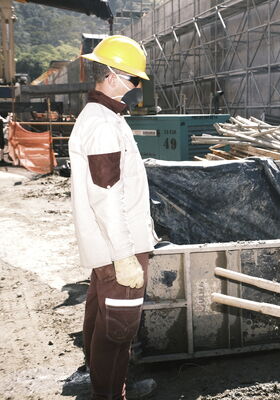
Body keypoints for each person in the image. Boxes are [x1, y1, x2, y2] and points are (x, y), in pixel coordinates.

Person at [69, 35, 159, 399]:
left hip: (108, 245)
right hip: (118, 246)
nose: (136, 87)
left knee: (101, 318)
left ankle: (106, 383)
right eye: (133, 79)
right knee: (118, 329)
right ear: (112, 74)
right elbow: (106, 196)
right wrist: (124, 255)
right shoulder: (103, 124)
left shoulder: (102, 116)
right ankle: (110, 393)